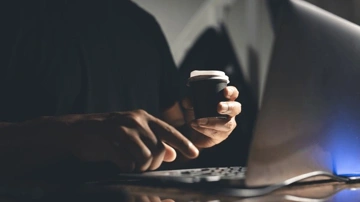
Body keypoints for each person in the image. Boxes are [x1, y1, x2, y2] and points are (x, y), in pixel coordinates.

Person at [0, 0, 241, 180]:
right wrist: (68, 133)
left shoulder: (143, 24)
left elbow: (174, 124)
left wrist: (198, 133)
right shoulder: (12, 13)